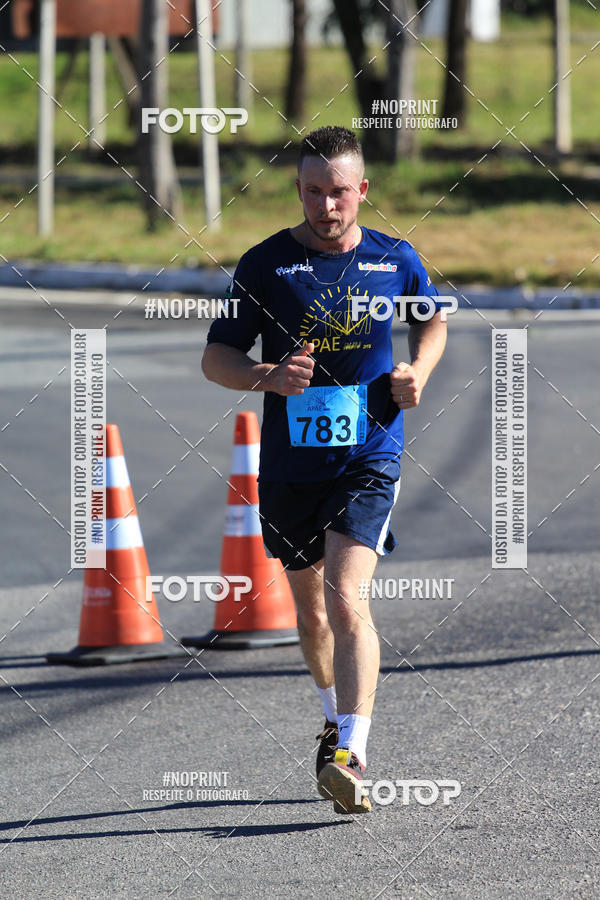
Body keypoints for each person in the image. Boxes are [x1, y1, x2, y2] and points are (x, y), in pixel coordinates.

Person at [202, 125, 447, 815]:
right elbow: (216, 357)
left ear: (362, 191)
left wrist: (417, 371)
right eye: (314, 191)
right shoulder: (265, 265)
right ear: (299, 190)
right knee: (310, 612)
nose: (327, 205)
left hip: (370, 455)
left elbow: (431, 323)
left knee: (346, 596)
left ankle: (351, 752)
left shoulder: (394, 259)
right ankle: (328, 721)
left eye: (340, 191)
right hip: (287, 467)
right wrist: (267, 376)